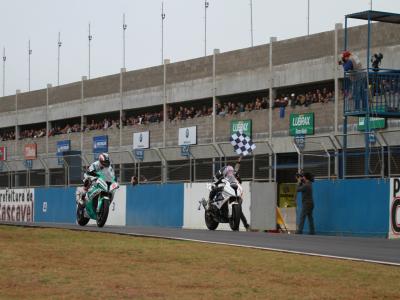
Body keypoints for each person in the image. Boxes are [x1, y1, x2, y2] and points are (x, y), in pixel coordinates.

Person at [209, 156, 251, 231]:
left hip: (232, 191)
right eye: (229, 171)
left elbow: (237, 169)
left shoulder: (233, 174)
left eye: (231, 172)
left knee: (239, 209)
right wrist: (215, 184)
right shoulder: (220, 173)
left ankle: (246, 225)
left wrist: (239, 161)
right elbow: (214, 180)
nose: (230, 172)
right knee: (215, 189)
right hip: (221, 185)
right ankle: (210, 202)